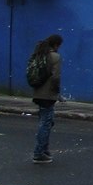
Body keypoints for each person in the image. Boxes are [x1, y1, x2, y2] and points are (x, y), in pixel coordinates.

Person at [31, 34, 63, 163]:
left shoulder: (39, 54)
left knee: (47, 122)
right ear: (56, 44)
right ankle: (39, 152)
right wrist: (57, 93)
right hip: (48, 95)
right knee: (45, 123)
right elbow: (55, 77)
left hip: (37, 93)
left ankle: (44, 150)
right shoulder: (55, 57)